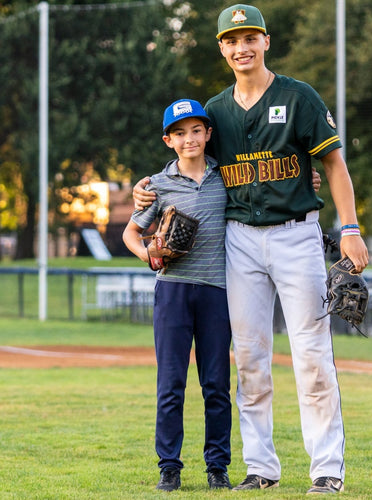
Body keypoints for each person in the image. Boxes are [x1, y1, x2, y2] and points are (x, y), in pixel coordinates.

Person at [133, 4, 369, 495]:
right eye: (230, 40)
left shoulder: (297, 97)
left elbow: (335, 167)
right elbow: (188, 155)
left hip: (296, 234)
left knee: (311, 354)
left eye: (249, 38)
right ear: (221, 49)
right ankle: (261, 467)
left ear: (265, 41)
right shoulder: (215, 111)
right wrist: (147, 191)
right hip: (240, 240)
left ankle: (327, 469)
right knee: (251, 359)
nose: (240, 47)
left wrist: (350, 227)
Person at [122, 99, 232, 492]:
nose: (190, 139)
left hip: (216, 292)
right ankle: (169, 466)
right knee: (171, 384)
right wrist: (147, 254)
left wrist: (310, 181)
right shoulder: (156, 185)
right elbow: (131, 233)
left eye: (196, 131)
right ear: (168, 140)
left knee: (216, 384)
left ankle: (217, 466)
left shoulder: (227, 176)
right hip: (172, 291)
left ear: (208, 134)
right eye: (180, 133)